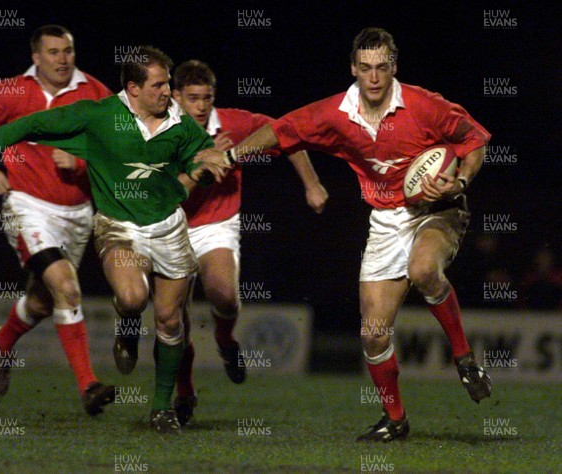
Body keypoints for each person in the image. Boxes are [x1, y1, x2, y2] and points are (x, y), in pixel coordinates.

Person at [196, 27, 492, 442]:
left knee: (424, 269)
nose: (373, 77)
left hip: (437, 209)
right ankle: (396, 418)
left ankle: (463, 357)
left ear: (394, 68)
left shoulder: (424, 105)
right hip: (385, 221)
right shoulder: (334, 113)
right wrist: (228, 154)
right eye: (365, 67)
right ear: (353, 67)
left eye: (382, 68)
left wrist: (460, 181)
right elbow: (282, 131)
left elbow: (474, 141)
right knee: (372, 334)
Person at [0, 45, 228, 434]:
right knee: (133, 298)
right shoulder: (98, 115)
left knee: (171, 322)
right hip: (118, 228)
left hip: (169, 227)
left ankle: (160, 408)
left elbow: (196, 155)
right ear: (133, 89)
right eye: (159, 85)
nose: (168, 92)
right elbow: (28, 126)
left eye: (169, 84)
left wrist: (206, 162)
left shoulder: (179, 121)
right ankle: (125, 327)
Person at [0, 25, 115, 415]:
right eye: (53, 52)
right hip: (27, 204)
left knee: (45, 301)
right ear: (36, 57)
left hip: (79, 212)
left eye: (68, 50)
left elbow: (120, 149)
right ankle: (88, 386)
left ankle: (2, 341)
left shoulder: (96, 95)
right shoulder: (8, 92)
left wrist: (82, 160)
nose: (62, 59)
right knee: (68, 287)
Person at [169, 60, 328, 426]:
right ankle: (184, 391)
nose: (200, 106)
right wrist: (202, 160)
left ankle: (225, 342)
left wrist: (312, 183)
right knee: (173, 318)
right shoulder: (157, 129)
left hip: (216, 225)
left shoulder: (234, 123)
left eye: (207, 98)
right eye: (192, 98)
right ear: (175, 97)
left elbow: (286, 133)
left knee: (223, 294)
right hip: (169, 224)